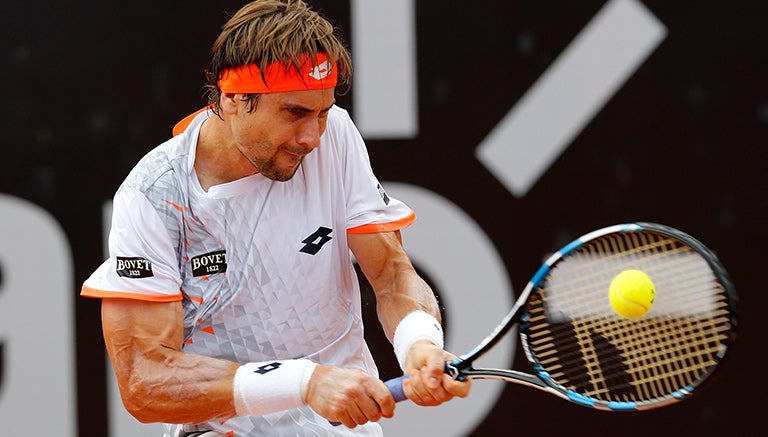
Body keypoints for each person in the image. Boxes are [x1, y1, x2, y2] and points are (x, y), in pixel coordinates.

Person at [81, 1, 470, 436]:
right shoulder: (154, 198)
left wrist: (418, 339)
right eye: (294, 113)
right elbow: (145, 382)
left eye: (322, 112)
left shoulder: (335, 136)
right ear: (232, 99)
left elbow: (393, 274)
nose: (311, 137)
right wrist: (304, 382)